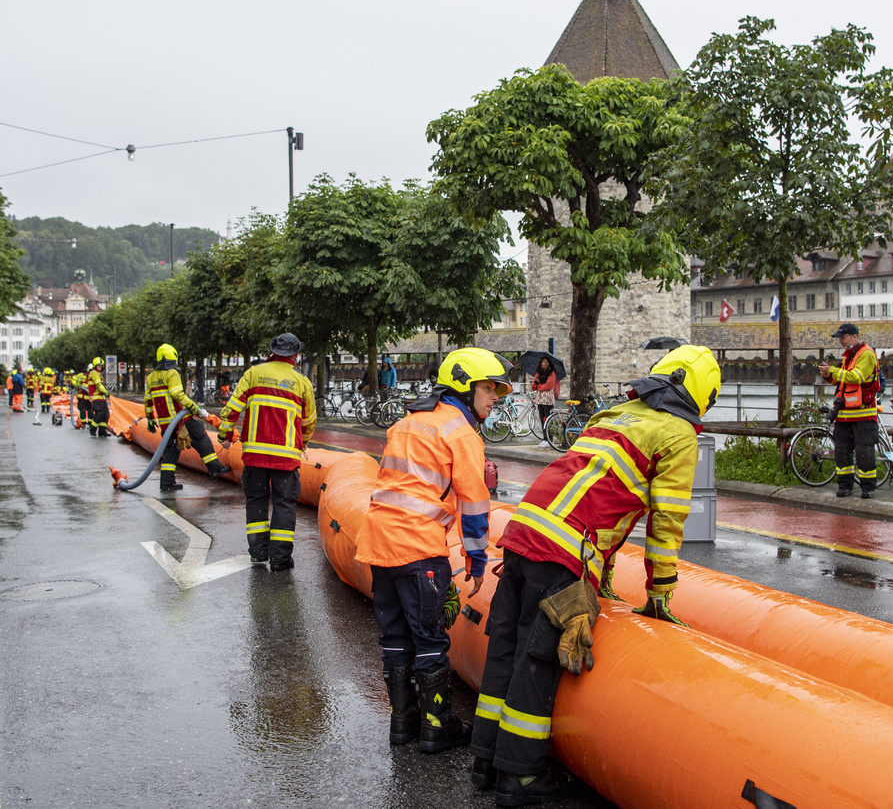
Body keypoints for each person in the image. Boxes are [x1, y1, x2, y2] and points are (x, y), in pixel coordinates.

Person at [469, 345, 721, 807]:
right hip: (562, 552)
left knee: (504, 649)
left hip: (524, 532)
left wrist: (600, 574)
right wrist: (659, 592)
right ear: (703, 395)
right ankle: (520, 778)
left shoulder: (612, 415)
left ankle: (485, 760)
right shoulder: (679, 434)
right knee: (536, 661)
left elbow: (597, 495)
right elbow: (665, 522)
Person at [353, 348, 511, 754]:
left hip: (378, 542)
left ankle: (402, 724)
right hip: (418, 548)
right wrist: (477, 562)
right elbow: (475, 507)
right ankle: (436, 729)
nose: (496, 397)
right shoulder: (460, 434)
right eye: (490, 388)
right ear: (465, 385)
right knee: (430, 640)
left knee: (394, 636)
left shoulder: (408, 422)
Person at [218, 333, 316, 571]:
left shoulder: (253, 373)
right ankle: (280, 559)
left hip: (254, 456)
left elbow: (233, 407)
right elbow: (309, 421)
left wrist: (224, 433)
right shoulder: (301, 382)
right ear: (295, 355)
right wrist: (303, 441)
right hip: (285, 459)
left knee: (256, 501)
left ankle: (258, 552)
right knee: (284, 504)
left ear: (273, 352)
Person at [146, 343, 232, 492]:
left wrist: (150, 418)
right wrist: (195, 409)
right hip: (180, 420)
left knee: (171, 450)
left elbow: (148, 399)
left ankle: (167, 482)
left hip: (167, 423)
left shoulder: (152, 376)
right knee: (200, 437)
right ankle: (214, 468)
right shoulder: (171, 373)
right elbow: (178, 395)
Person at [818, 323, 881, 499]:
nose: (841, 342)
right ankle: (845, 486)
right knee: (841, 453)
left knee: (864, 454)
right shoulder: (849, 357)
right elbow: (843, 382)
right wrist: (828, 375)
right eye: (839, 338)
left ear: (854, 336)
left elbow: (857, 377)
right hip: (844, 415)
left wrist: (833, 371)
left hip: (863, 415)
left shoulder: (866, 354)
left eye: (843, 337)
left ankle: (868, 487)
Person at [530, 357, 561, 427]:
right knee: (542, 419)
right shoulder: (538, 373)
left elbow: (548, 386)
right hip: (539, 399)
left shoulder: (551, 373)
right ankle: (544, 435)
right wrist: (536, 383)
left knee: (548, 418)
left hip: (548, 399)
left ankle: (549, 436)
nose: (545, 363)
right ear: (540, 363)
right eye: (543, 362)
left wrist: (538, 385)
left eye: (547, 362)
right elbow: (533, 387)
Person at [84, 358, 111, 437]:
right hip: (96, 397)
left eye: (101, 366)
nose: (100, 367)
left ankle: (102, 431)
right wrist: (105, 391)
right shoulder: (94, 373)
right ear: (95, 366)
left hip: (101, 397)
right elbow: (98, 384)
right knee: (99, 414)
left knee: (105, 414)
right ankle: (93, 429)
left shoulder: (98, 373)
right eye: (99, 365)